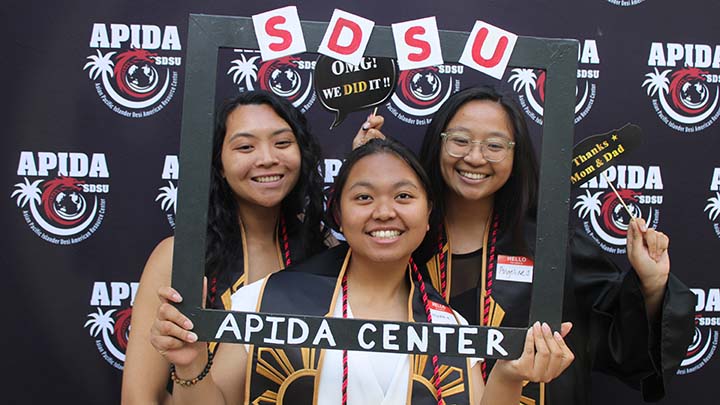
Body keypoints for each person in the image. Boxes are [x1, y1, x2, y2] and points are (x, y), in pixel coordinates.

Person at [149, 138, 576, 405]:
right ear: (339, 212)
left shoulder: (451, 327)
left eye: (404, 196)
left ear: (429, 215)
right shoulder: (265, 301)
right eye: (364, 197)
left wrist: (508, 375)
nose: (384, 212)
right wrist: (189, 367)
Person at [354, 86, 695, 404]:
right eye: (460, 140)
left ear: (516, 155)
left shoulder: (549, 243)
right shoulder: (401, 240)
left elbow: (619, 339)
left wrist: (651, 284)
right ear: (438, 143)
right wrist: (372, 167)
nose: (475, 157)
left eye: (495, 145)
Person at [121, 91, 329, 404]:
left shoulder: (325, 250)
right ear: (218, 163)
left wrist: (365, 167)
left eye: (282, 143)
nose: (267, 158)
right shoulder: (179, 257)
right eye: (245, 147)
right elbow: (139, 399)